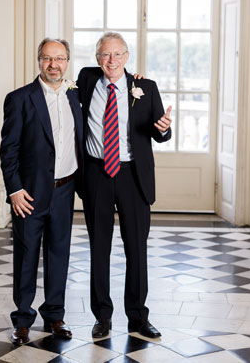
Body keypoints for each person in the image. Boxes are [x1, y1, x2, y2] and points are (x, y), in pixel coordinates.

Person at [77, 32, 172, 339]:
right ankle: (102, 317)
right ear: (97, 58)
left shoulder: (146, 87)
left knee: (136, 249)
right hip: (96, 174)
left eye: (118, 54)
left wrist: (164, 129)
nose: (112, 60)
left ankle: (138, 317)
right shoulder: (87, 79)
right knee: (99, 249)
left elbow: (160, 133)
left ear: (127, 57)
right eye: (105, 54)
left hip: (133, 176)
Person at [0, 38, 82, 345]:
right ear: (39, 62)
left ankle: (54, 316)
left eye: (59, 59)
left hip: (65, 188)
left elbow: (107, 72)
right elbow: (8, 150)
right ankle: (22, 319)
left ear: (67, 62)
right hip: (29, 193)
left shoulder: (75, 95)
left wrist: (136, 79)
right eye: (48, 59)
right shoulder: (20, 98)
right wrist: (15, 190)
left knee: (59, 254)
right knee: (26, 255)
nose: (54, 65)